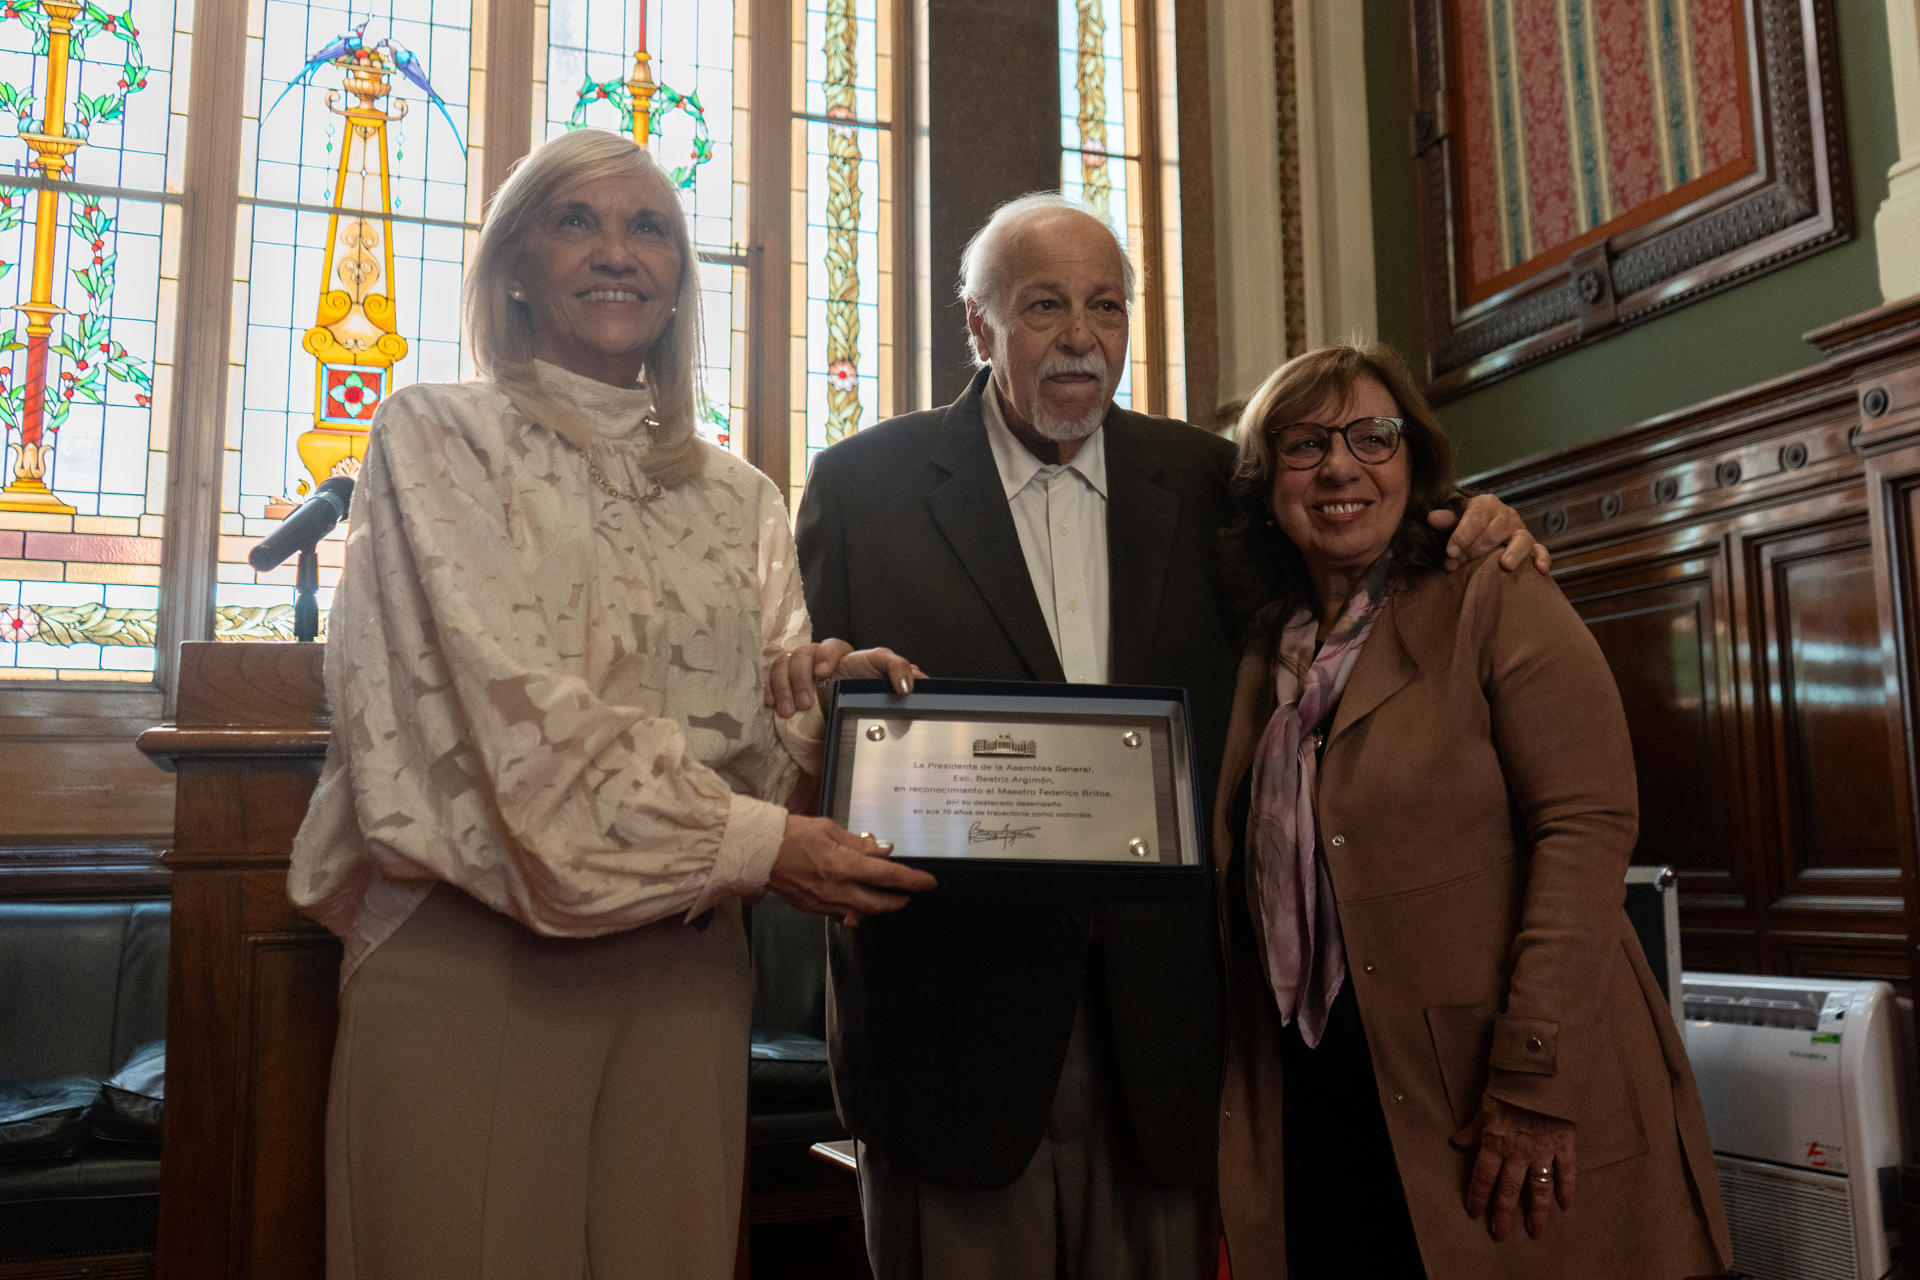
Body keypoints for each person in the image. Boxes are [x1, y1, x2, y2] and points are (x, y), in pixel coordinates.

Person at [777, 193, 1543, 1280]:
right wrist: (811, 689)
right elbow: (798, 733)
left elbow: (1351, 552)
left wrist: (1473, 523)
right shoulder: (862, 487)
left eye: (1107, 304)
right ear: (977, 325)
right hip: (948, 1028)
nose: (1081, 335)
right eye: (1043, 305)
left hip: (1166, 1031)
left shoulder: (1206, 481)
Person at [284, 129, 934, 1280]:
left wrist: (821, 700)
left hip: (684, 967)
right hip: (472, 946)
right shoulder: (437, 435)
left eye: (650, 230)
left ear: (682, 282)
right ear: (515, 267)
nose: (617, 252)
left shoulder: (743, 498)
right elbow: (510, 711)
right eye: (577, 220)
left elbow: (762, 766)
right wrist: (760, 834)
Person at [1210, 343, 1731, 1278]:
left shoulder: (1494, 591)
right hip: (1317, 1101)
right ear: (1265, 481)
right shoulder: (1259, 652)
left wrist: (1535, 1075)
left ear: (1415, 463)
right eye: (1304, 444)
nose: (1341, 467)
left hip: (1499, 1091)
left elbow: (1587, 830)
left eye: (1374, 437)